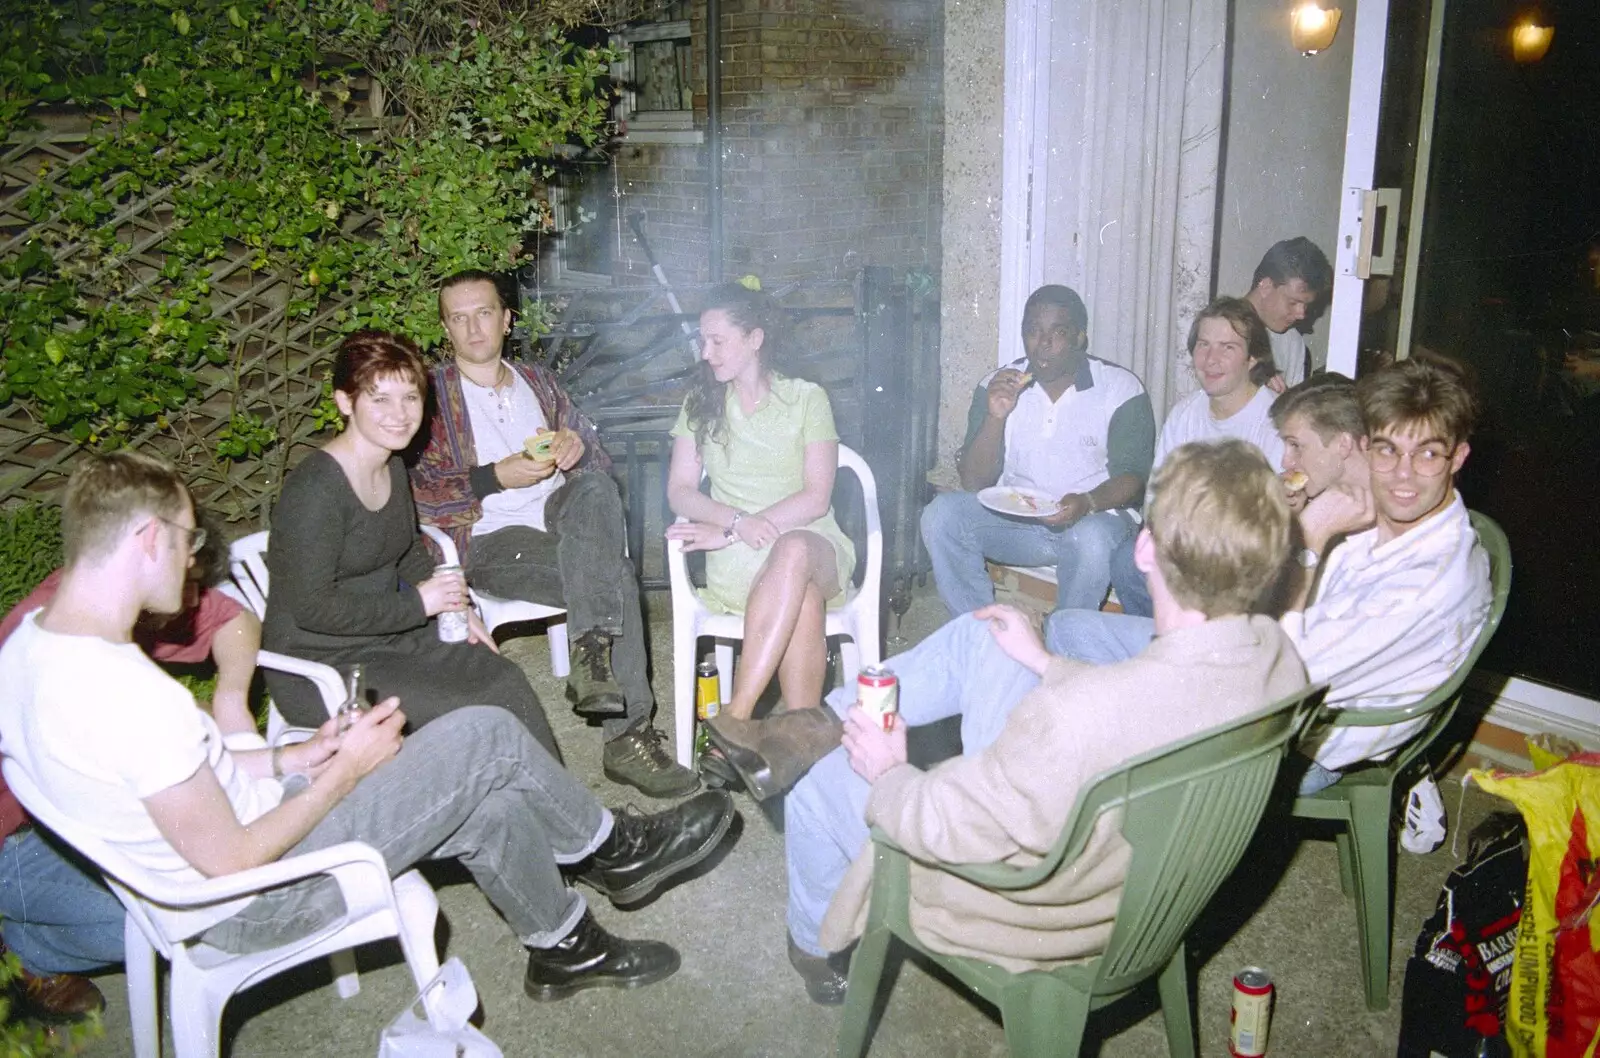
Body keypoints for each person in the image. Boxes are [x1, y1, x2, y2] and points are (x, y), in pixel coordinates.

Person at [0, 450, 738, 1001]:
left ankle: (562, 945)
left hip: (220, 859)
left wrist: (300, 757)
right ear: (146, 541)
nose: (195, 571)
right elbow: (229, 862)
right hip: (257, 900)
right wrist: (349, 769)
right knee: (481, 734)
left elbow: (178, 785)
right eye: (190, 543)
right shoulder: (130, 695)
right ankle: (612, 848)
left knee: (486, 794)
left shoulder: (30, 647)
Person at [781, 440, 1305, 1003]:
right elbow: (1145, 699)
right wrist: (1046, 663)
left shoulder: (1072, 718)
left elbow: (947, 824)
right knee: (988, 637)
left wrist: (889, 772)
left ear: (1145, 549)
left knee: (815, 775)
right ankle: (815, 719)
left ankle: (812, 943)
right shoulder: (1278, 662)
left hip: (1029, 915)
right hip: (1145, 896)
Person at [1051, 352, 1492, 799]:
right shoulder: (1381, 520)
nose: (1402, 474)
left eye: (1428, 455)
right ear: (1366, 446)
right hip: (1255, 673)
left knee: (1099, 733)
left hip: (1287, 738)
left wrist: (1310, 539)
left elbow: (1274, 675)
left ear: (1458, 457)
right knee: (1070, 629)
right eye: (1387, 450)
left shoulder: (1431, 579)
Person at [410, 270, 694, 798]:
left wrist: (576, 449)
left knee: (594, 491)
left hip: (561, 518)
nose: (474, 328)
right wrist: (494, 476)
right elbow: (416, 491)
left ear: (507, 318)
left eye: (485, 313)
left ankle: (591, 659)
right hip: (493, 538)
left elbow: (597, 456)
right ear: (446, 328)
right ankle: (627, 737)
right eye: (459, 318)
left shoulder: (536, 382)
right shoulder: (429, 398)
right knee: (615, 578)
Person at [0, 511, 262, 1022]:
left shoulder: (133, 599)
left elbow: (236, 619)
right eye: (187, 585)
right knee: (182, 917)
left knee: (204, 880)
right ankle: (27, 952)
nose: (192, 605)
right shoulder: (51, 640)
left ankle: (31, 931)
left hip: (87, 812)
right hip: (17, 837)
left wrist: (231, 696)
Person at [262, 331, 558, 760]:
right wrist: (420, 606)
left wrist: (457, 607)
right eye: (380, 399)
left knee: (502, 678)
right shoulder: (315, 491)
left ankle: (562, 819)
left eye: (410, 397)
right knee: (476, 706)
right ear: (345, 402)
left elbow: (407, 553)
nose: (399, 415)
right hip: (321, 663)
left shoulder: (393, 465)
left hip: (386, 636)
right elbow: (313, 608)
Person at [665, 283, 857, 801]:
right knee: (801, 596)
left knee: (793, 551)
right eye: (702, 343)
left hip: (815, 544)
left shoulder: (806, 398)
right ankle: (800, 750)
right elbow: (680, 490)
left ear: (754, 338)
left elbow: (817, 497)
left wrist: (747, 524)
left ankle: (735, 718)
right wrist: (734, 523)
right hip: (739, 555)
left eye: (717, 341)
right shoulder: (699, 404)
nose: (706, 353)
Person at [919, 284, 1154, 616]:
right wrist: (995, 415)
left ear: (1078, 338)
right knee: (941, 515)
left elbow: (1133, 478)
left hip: (1091, 520)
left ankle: (1064, 646)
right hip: (1019, 522)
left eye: (1058, 332)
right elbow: (974, 481)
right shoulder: (997, 384)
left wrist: (1087, 502)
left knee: (1092, 539)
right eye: (1033, 331)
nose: (1043, 344)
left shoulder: (1119, 387)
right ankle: (982, 634)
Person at [1109, 296, 1283, 617]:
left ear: (1253, 358)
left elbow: (1268, 519)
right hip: (1186, 545)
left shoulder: (1274, 421)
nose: (1210, 359)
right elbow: (1157, 495)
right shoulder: (1185, 413)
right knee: (1127, 560)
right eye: (1203, 345)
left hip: (1239, 558)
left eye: (1228, 347)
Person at [1244, 236, 1332, 389]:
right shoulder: (1218, 326)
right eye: (1293, 302)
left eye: (1306, 305)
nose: (1301, 315)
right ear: (1265, 286)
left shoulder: (1292, 342)